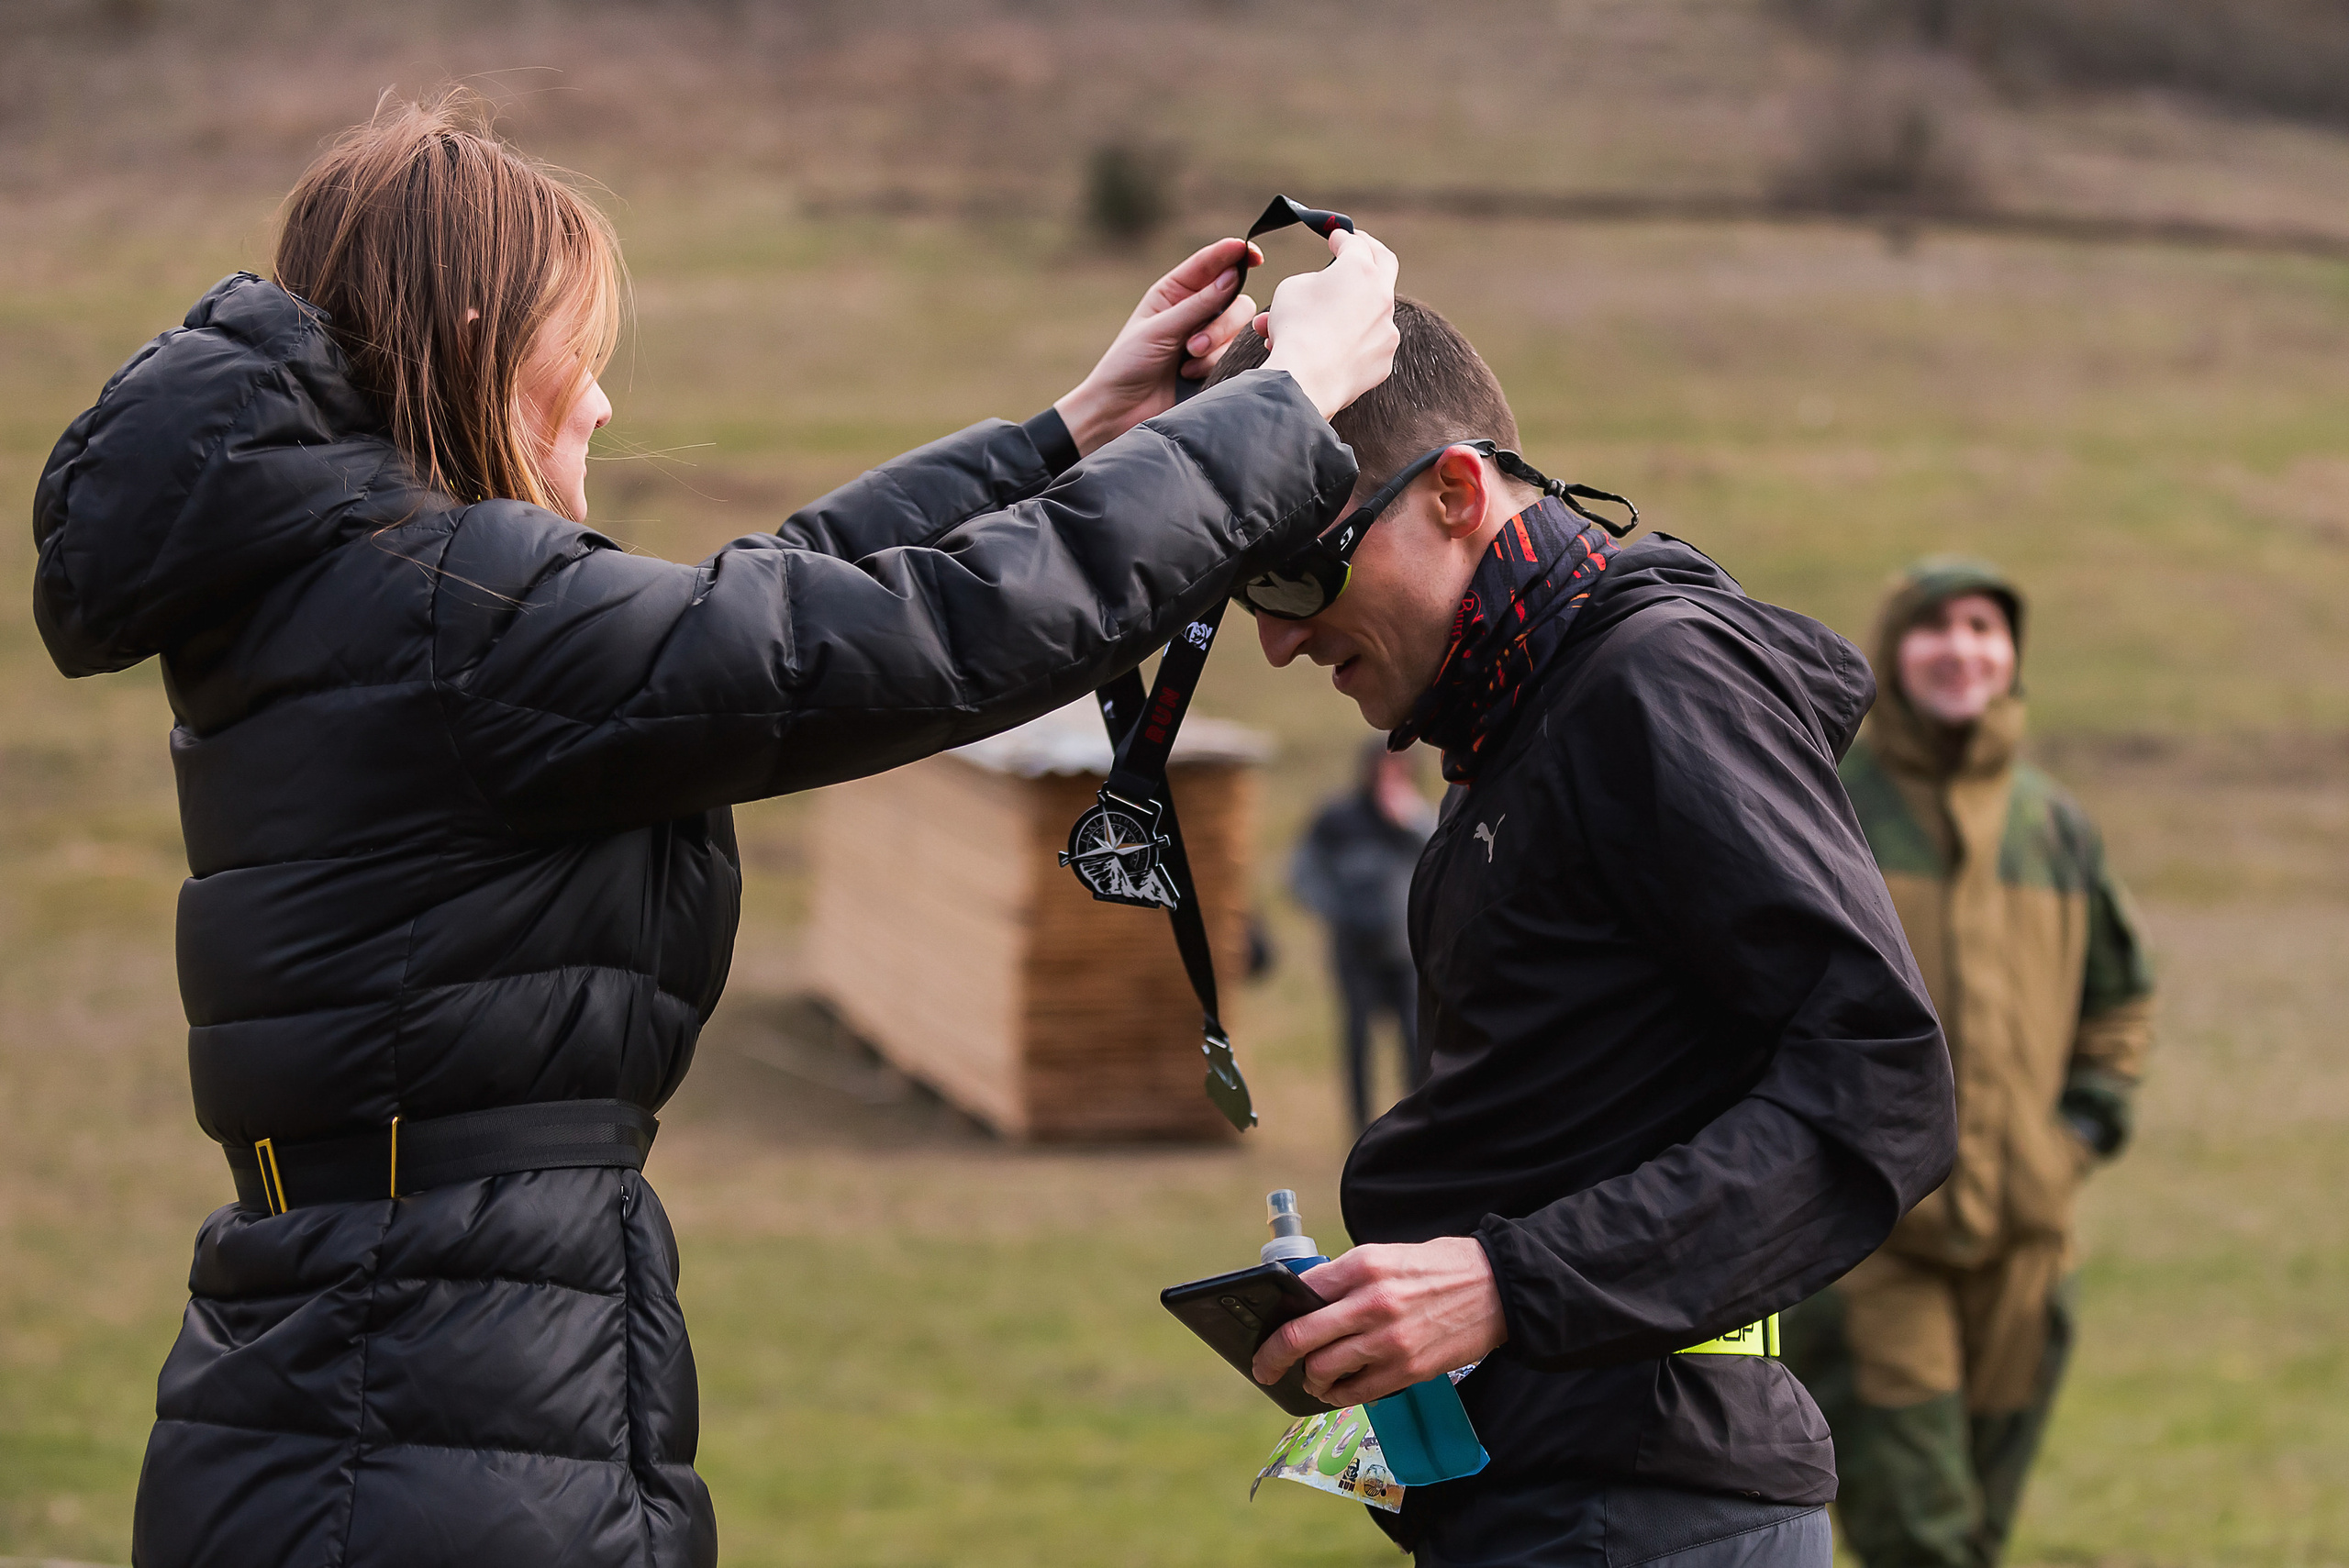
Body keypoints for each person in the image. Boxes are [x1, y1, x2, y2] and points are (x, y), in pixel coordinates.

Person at [29, 95, 1399, 1568]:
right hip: (426, 1410)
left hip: (388, 1372)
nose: (605, 404)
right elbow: (898, 638)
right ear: (483, 328)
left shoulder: (376, 601)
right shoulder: (453, 614)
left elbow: (769, 603)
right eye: (584, 351)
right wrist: (1289, 402)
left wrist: (1070, 434)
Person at [1209, 301, 1956, 1568]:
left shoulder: (1652, 686)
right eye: (1245, 593)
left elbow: (1881, 1079)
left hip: (1648, 1510)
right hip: (1559, 1492)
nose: (1277, 640)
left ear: (1454, 493)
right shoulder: (1514, 731)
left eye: (1294, 571)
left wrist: (1503, 1286)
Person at [1779, 561, 2155, 1568]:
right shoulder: (1825, 805)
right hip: (1871, 1238)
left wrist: (2075, 1136)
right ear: (1894, 649)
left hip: (2027, 1239)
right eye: (1934, 627)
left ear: (2012, 655)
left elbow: (2120, 998)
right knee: (1919, 1535)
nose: (1962, 648)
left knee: (1977, 1530)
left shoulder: (2053, 824)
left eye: (1985, 627)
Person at [1291, 737, 1436, 1130]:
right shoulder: (1338, 819)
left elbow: (1444, 861)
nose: (1389, 775)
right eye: (1383, 766)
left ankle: (1416, 1125)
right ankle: (1360, 1129)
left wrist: (1411, 818)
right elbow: (1302, 875)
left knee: (1415, 1040)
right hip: (1355, 952)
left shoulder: (1416, 819)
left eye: (1399, 767)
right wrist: (1341, 911)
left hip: (1405, 952)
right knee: (1357, 1040)